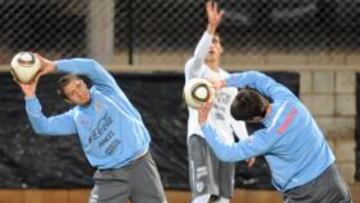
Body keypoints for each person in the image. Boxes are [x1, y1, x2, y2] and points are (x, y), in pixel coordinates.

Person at [16, 55, 167, 203]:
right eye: (73, 94)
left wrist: (54, 65)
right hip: (111, 177)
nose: (79, 93)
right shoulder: (74, 118)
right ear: (69, 101)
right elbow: (42, 126)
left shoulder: (106, 89)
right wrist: (30, 96)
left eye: (79, 86)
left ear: (83, 82)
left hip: (142, 165)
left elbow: (91, 66)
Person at [198, 71, 353, 203]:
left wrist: (204, 123)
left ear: (253, 119)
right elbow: (256, 77)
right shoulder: (287, 98)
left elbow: (226, 153)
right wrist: (224, 82)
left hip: (304, 194)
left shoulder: (267, 138)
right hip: (334, 181)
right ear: (261, 97)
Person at [184, 1, 254, 203]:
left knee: (223, 198)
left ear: (222, 49)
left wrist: (246, 144)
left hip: (225, 143)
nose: (212, 46)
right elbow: (198, 56)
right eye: (209, 42)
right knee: (204, 194)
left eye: (216, 42)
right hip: (201, 138)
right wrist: (211, 28)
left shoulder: (229, 81)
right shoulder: (195, 71)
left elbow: (236, 118)